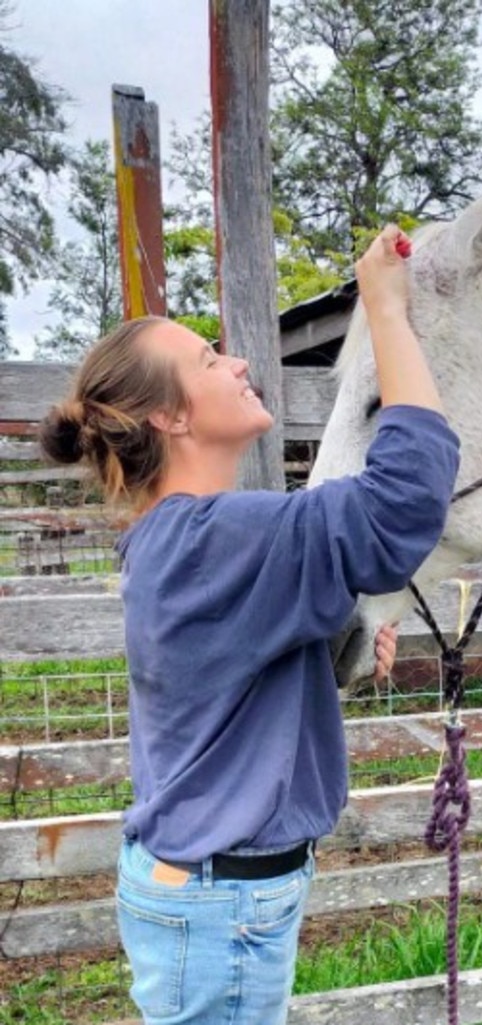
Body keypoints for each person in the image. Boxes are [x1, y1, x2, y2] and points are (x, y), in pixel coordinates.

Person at [38, 225, 460, 1025]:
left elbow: (239, 663)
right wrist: (385, 313)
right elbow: (406, 501)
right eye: (206, 358)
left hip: (203, 890)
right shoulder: (219, 536)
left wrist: (339, 635)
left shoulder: (181, 539)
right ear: (167, 417)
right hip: (220, 902)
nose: (236, 362)